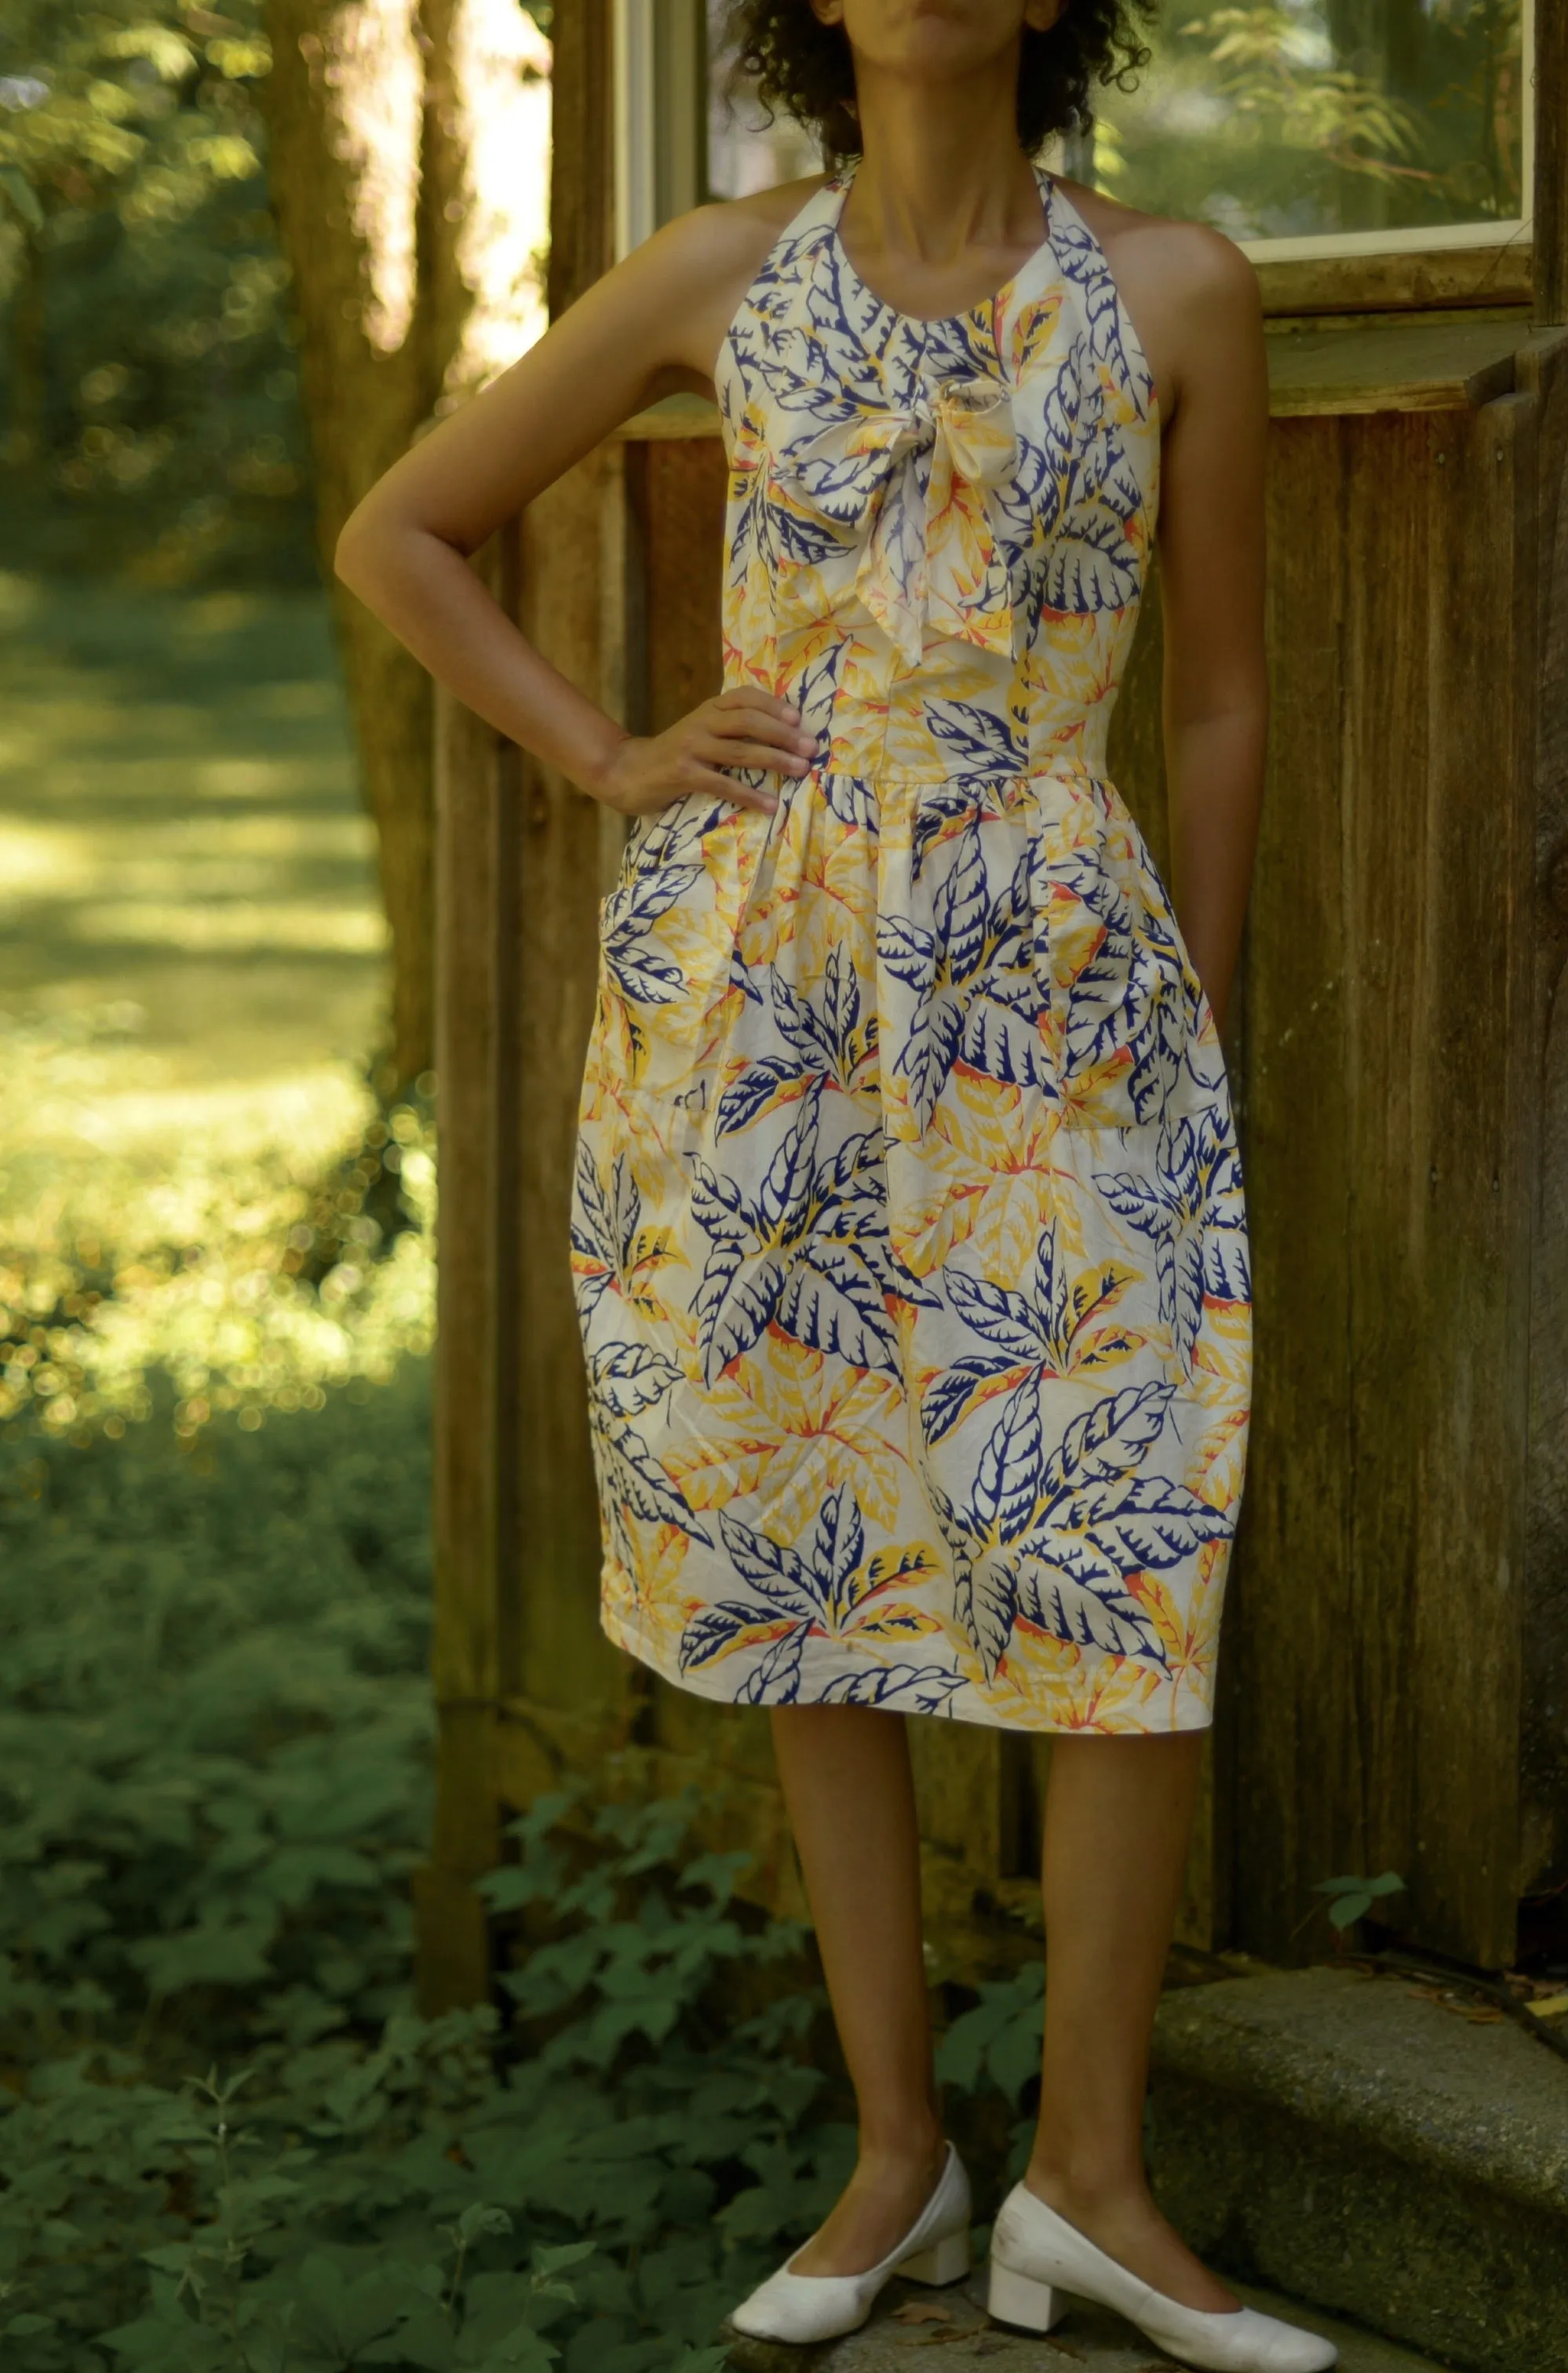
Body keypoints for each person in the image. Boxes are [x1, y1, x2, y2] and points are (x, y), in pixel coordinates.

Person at [335, 0, 1318, 2362]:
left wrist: (1173, 1001)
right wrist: (606, 748)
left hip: (1058, 993)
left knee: (1115, 1543)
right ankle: (900, 2154)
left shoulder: (1176, 289)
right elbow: (404, 530)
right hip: (753, 993)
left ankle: (1090, 2174)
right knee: (799, 1523)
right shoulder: (714, 273)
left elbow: (1218, 692)